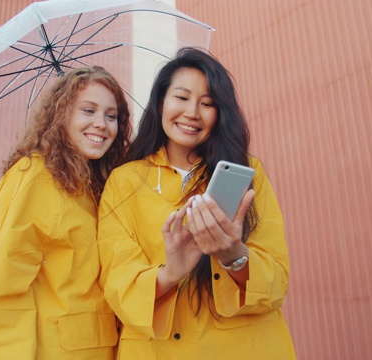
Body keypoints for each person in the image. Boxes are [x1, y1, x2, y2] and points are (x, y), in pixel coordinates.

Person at [97, 48, 296, 359]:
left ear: (220, 113)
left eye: (207, 103)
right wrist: (170, 273)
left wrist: (233, 255)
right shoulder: (124, 181)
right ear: (161, 102)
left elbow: (276, 281)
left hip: (245, 348)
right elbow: (117, 283)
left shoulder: (248, 173)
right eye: (182, 97)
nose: (192, 112)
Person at [0, 66, 132, 359]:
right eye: (88, 110)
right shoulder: (34, 175)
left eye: (111, 116)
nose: (101, 124)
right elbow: (1, 288)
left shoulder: (95, 186)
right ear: (62, 114)